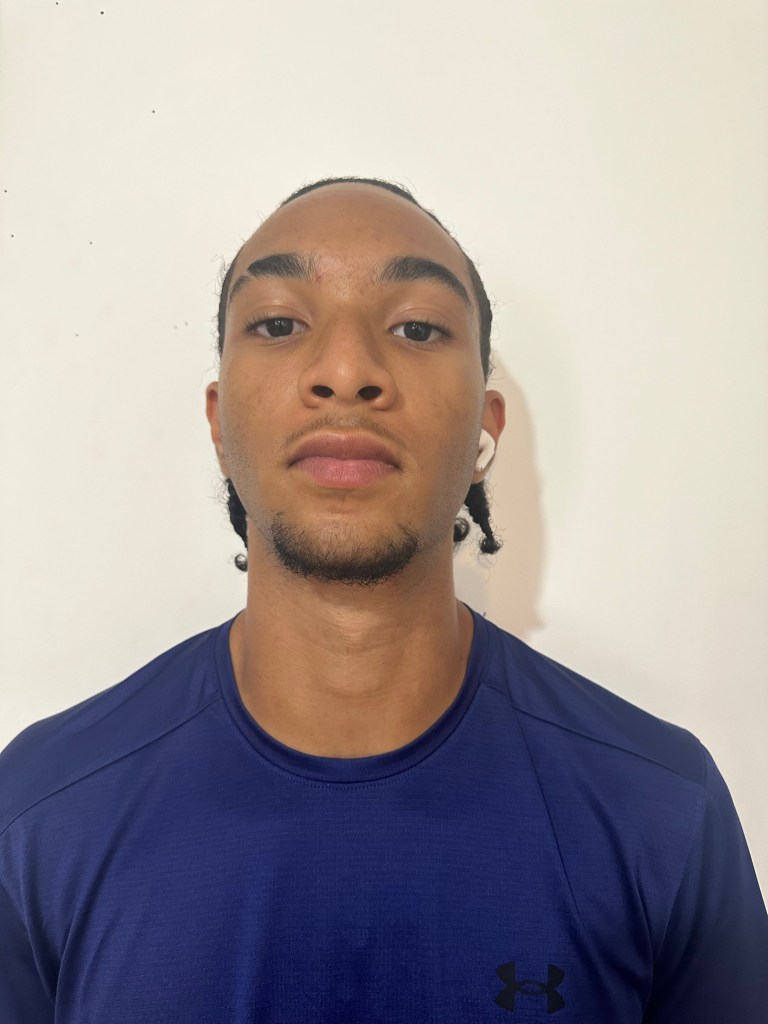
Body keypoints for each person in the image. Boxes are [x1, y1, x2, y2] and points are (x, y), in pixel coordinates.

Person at [0, 177, 765, 1023]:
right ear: (218, 423)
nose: (346, 371)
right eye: (280, 324)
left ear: (486, 427)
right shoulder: (37, 815)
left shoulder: (662, 811)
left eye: (416, 328)